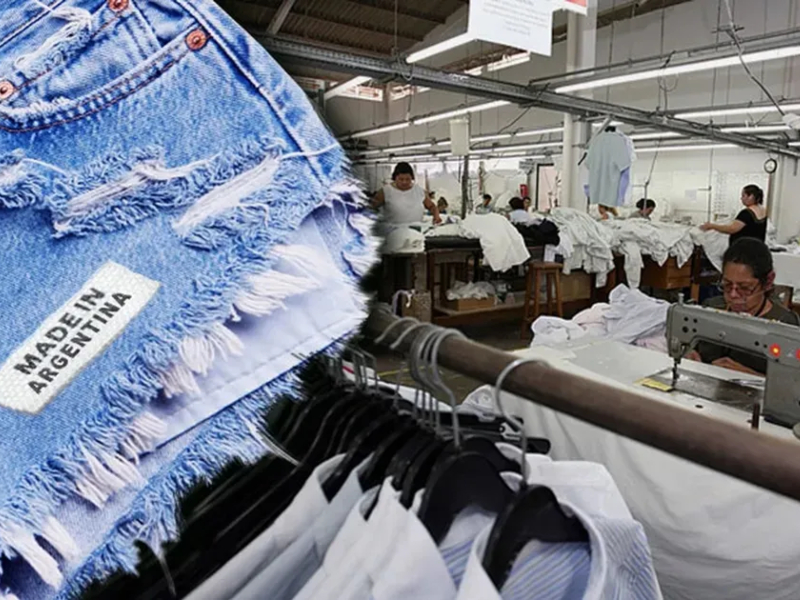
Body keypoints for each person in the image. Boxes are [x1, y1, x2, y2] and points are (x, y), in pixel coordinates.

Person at [685, 238, 800, 375]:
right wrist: (691, 355)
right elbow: (694, 349)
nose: (733, 295)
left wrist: (748, 375)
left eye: (745, 288)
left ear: (768, 282)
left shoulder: (784, 324)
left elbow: (791, 382)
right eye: (727, 285)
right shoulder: (711, 308)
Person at [372, 162, 441, 226]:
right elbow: (370, 208)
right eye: (401, 179)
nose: (404, 182)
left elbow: (432, 206)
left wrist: (436, 216)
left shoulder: (419, 191)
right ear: (395, 178)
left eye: (408, 179)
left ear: (412, 178)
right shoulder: (386, 191)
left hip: (416, 230)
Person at [700, 184, 767, 245]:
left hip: (744, 248)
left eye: (743, 196)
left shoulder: (746, 213)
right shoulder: (763, 210)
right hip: (757, 246)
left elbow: (731, 229)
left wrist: (712, 226)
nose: (741, 198)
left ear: (751, 196)